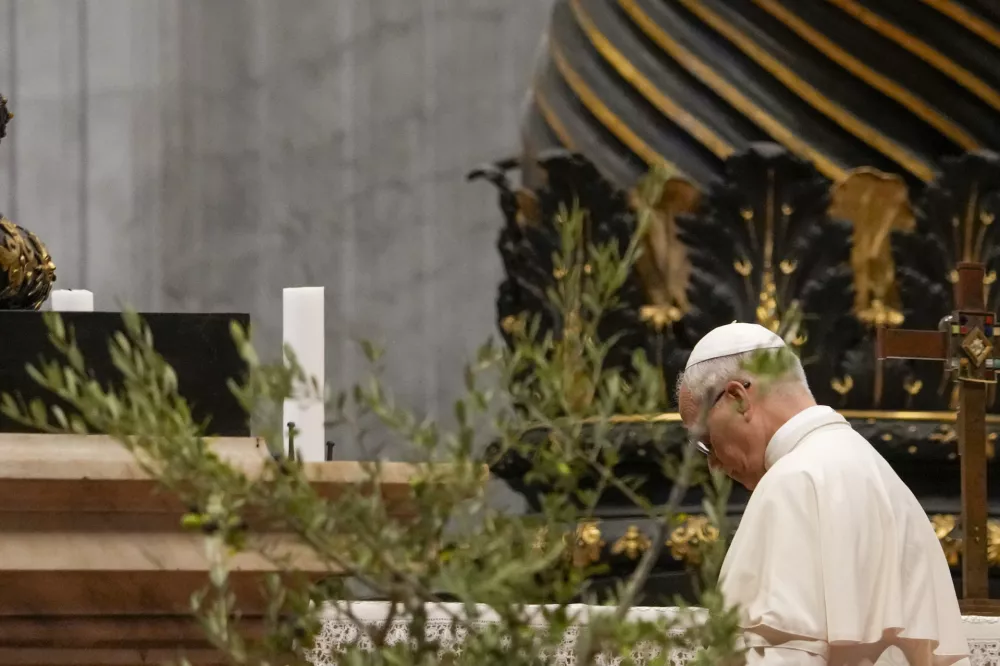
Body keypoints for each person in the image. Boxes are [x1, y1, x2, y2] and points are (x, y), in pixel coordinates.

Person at [676, 322, 969, 666]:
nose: (713, 464)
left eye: (707, 441)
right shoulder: (890, 484)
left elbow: (778, 657)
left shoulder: (793, 483)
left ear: (738, 398)